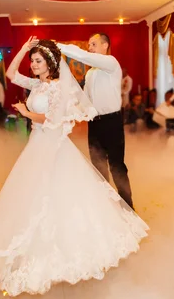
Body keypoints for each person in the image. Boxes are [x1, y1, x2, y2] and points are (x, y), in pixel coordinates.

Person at [0, 37, 148, 297]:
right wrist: (24, 49)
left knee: (63, 194)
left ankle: (108, 222)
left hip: (54, 145)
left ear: (50, 63)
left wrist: (26, 114)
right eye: (33, 61)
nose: (33, 65)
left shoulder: (59, 86)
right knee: (33, 196)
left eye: (38, 61)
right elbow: (10, 74)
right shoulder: (37, 85)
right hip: (36, 144)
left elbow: (54, 119)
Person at [57, 33, 134, 209]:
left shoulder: (111, 63)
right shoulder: (91, 72)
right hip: (94, 123)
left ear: (105, 45)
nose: (89, 48)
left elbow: (84, 56)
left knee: (117, 166)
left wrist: (59, 46)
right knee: (98, 167)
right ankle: (106, 208)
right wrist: (69, 111)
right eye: (89, 45)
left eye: (93, 44)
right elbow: (85, 99)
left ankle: (128, 208)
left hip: (112, 122)